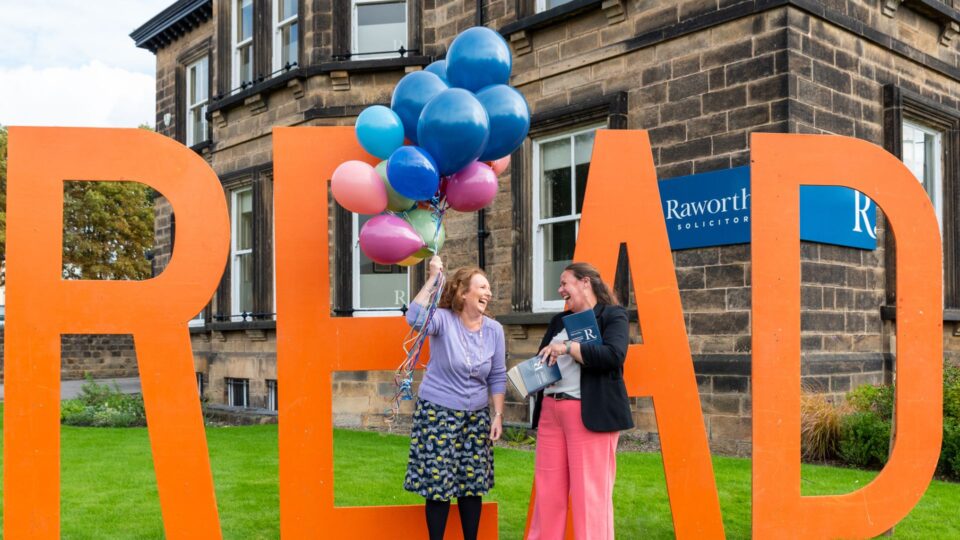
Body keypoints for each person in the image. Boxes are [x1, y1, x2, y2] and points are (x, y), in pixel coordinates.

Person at [403, 255, 506, 540]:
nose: (489, 293)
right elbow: (414, 318)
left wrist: (497, 415)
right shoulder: (443, 321)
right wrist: (434, 280)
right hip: (438, 413)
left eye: (488, 288)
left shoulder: (495, 330)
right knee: (439, 485)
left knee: (471, 485)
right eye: (482, 287)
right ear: (463, 292)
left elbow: (497, 375)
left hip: (476, 416)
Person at [528, 262, 633, 540]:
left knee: (590, 497)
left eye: (565, 283)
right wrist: (529, 378)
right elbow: (543, 360)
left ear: (585, 282)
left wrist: (568, 348)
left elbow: (614, 356)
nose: (560, 289)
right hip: (551, 411)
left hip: (589, 413)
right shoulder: (558, 322)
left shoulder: (613, 315)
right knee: (548, 494)